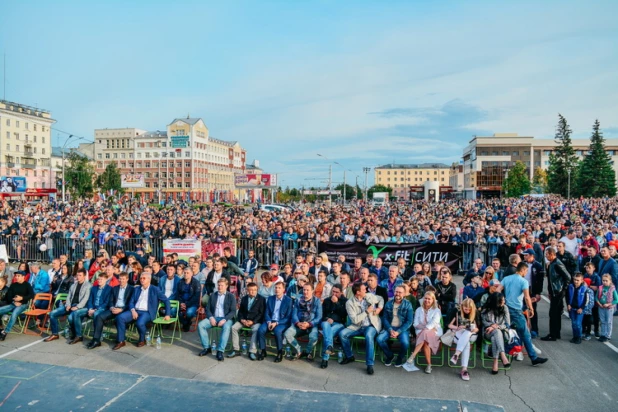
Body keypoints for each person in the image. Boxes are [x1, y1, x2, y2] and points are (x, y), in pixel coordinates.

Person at [502, 262, 548, 366]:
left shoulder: (506, 279)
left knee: (510, 332)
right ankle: (533, 357)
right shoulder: (523, 281)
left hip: (506, 309)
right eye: (526, 271)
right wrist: (531, 308)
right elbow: (527, 297)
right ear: (522, 270)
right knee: (526, 334)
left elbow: (498, 290)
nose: (526, 273)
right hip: (517, 310)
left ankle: (517, 353)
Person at [114, 272, 170, 350]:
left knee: (139, 323)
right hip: (135, 310)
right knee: (120, 318)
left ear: (149, 279)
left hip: (147, 312)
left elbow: (166, 301)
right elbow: (131, 302)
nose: (142, 280)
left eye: (144, 278)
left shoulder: (155, 289)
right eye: (141, 278)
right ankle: (121, 341)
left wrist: (167, 314)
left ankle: (142, 339)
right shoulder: (136, 289)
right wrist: (133, 310)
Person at [339, 283, 382, 375]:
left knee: (369, 336)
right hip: (357, 326)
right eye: (363, 289)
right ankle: (349, 356)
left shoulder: (369, 296)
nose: (366, 290)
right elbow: (354, 320)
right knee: (342, 334)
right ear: (358, 292)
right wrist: (367, 312)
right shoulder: (349, 303)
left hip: (371, 325)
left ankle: (369, 364)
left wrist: (379, 308)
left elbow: (380, 299)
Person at [87, 272, 134, 349]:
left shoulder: (131, 289)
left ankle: (121, 341)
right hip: (114, 308)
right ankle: (96, 340)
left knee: (119, 319)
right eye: (120, 279)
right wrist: (112, 307)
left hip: (124, 309)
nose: (121, 280)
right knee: (99, 316)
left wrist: (121, 309)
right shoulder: (115, 288)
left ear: (127, 279)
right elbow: (111, 301)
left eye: (123, 279)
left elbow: (130, 302)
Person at [44, 268, 92, 344]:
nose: (78, 277)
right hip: (70, 305)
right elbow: (69, 296)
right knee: (52, 313)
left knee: (70, 318)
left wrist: (77, 307)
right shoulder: (73, 285)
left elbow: (85, 299)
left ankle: (78, 335)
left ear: (84, 276)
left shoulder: (88, 286)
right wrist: (68, 305)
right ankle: (55, 334)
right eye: (77, 275)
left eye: (80, 275)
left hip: (81, 307)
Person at [403, 291, 443, 374]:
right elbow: (415, 323)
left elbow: (434, 323)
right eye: (425, 298)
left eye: (429, 299)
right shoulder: (418, 309)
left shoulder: (436, 310)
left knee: (425, 337)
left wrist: (425, 328)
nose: (427, 300)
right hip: (421, 331)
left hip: (434, 331)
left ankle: (413, 355)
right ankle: (429, 365)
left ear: (433, 300)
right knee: (425, 341)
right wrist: (424, 328)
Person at [198, 278, 237, 361]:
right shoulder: (213, 295)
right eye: (218, 285)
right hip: (214, 317)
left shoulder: (231, 296)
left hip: (226, 318)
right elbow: (207, 309)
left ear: (226, 286)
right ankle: (206, 347)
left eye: (222, 285)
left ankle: (220, 351)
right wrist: (211, 318)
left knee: (226, 327)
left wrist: (225, 319)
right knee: (201, 325)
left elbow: (233, 311)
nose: (220, 287)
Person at [377, 285, 413, 368]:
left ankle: (400, 358)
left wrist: (398, 332)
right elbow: (385, 319)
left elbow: (409, 321)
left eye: (400, 292)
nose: (397, 294)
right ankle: (390, 355)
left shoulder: (408, 305)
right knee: (379, 339)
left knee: (405, 343)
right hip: (390, 327)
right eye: (396, 292)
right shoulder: (388, 303)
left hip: (402, 329)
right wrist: (390, 329)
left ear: (404, 294)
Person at [284, 283, 322, 361]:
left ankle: (308, 352)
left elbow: (319, 317)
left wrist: (309, 324)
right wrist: (298, 323)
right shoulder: (298, 300)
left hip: (311, 324)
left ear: (312, 291)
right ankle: (299, 350)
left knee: (313, 337)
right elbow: (294, 314)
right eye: (304, 290)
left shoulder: (317, 301)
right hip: (299, 323)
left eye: (308, 290)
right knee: (287, 334)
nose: (305, 292)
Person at [257, 281, 293, 362]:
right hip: (270, 320)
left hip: (281, 322)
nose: (277, 289)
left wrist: (276, 323)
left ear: (283, 289)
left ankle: (279, 352)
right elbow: (266, 312)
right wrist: (269, 322)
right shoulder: (270, 298)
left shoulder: (288, 300)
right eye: (276, 288)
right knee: (261, 330)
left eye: (279, 288)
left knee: (277, 331)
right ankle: (263, 350)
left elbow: (288, 317)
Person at [229, 282, 265, 360]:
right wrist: (242, 319)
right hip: (244, 320)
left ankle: (252, 351)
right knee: (234, 327)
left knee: (256, 329)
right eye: (251, 290)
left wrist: (253, 322)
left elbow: (261, 314)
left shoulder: (261, 299)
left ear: (257, 290)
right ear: (247, 290)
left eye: (254, 290)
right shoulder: (244, 298)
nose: (253, 291)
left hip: (255, 321)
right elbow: (240, 311)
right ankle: (236, 349)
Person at [542, 247, 572, 341]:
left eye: (547, 254)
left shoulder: (557, 264)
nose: (546, 256)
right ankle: (556, 333)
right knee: (556, 313)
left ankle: (553, 334)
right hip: (554, 292)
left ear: (552, 254)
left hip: (558, 292)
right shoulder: (552, 264)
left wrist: (563, 290)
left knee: (553, 314)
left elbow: (568, 277)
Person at [481, 293, 512, 374]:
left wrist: (496, 326)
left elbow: (507, 324)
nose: (504, 302)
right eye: (502, 301)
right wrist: (491, 325)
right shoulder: (486, 308)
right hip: (487, 332)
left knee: (495, 336)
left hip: (501, 332)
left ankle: (495, 362)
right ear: (496, 302)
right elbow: (484, 322)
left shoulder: (505, 308)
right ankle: (503, 355)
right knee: (495, 333)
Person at [448, 298, 479, 381]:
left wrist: (471, 328)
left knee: (468, 333)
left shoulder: (475, 313)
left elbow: (477, 329)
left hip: (470, 334)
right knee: (467, 344)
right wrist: (458, 327)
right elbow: (449, 325)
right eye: (465, 309)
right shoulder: (457, 312)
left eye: (469, 309)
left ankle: (456, 354)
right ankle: (464, 369)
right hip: (458, 334)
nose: (467, 311)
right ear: (462, 307)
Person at [319, 284, 348, 369]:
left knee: (328, 333)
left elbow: (344, 315)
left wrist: (337, 303)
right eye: (333, 291)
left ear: (341, 292)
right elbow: (322, 314)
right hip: (326, 323)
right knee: (325, 325)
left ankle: (325, 358)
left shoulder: (345, 301)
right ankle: (329, 348)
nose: (334, 294)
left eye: (337, 292)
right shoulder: (327, 300)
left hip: (339, 323)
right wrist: (328, 318)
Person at [0, 271, 35, 340]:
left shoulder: (27, 285)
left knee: (14, 314)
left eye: (18, 276)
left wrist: (22, 298)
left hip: (23, 304)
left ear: (23, 277)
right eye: (16, 276)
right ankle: (0, 328)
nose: (16, 277)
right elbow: (9, 296)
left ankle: (5, 332)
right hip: (13, 303)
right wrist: (13, 301)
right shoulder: (13, 285)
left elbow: (32, 295)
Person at [522, 248, 545, 338]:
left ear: (532, 256)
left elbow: (540, 281)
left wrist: (538, 293)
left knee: (533, 310)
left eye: (526, 255)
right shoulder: (522, 265)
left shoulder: (538, 266)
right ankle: (524, 329)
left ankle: (534, 330)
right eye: (524, 255)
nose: (524, 256)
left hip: (532, 290)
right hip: (523, 289)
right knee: (522, 309)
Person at [566, 272, 589, 344]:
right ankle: (574, 336)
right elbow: (567, 296)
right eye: (575, 280)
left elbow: (586, 300)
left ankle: (579, 337)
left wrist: (582, 308)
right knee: (573, 323)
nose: (576, 281)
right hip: (572, 308)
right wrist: (568, 304)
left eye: (578, 280)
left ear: (582, 280)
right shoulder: (570, 287)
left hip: (580, 309)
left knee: (578, 324)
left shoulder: (584, 289)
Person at [176, 267, 201, 332]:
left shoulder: (196, 283)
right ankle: (186, 323)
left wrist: (186, 304)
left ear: (191, 274)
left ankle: (186, 323)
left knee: (189, 313)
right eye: (184, 273)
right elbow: (178, 294)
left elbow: (196, 297)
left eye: (187, 273)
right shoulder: (180, 282)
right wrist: (181, 303)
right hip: (181, 303)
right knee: (174, 312)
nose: (186, 274)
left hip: (192, 303)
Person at [596, 274, 618, 342]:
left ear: (610, 281)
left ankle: (608, 335)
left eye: (606, 281)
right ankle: (603, 334)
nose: (604, 282)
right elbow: (596, 297)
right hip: (601, 307)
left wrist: (609, 304)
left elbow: (616, 299)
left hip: (609, 308)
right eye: (603, 280)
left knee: (608, 321)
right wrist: (599, 303)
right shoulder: (600, 288)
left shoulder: (612, 289)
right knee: (602, 321)